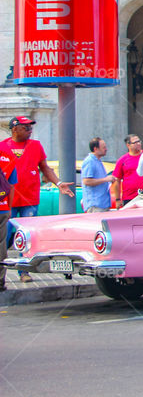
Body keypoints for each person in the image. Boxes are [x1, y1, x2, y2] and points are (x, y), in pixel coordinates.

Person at [0, 116, 74, 282]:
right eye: (26, 127)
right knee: (4, 238)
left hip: (29, 199)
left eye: (30, 127)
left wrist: (59, 183)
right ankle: (2, 273)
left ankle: (23, 271)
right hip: (7, 202)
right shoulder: (2, 147)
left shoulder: (35, 146)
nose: (30, 130)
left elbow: (45, 168)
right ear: (14, 129)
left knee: (26, 237)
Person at [110, 134, 143, 207]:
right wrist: (118, 199)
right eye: (135, 142)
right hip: (129, 197)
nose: (138, 144)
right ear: (128, 145)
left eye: (139, 141)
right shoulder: (122, 160)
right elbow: (116, 181)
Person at [81, 137, 114, 213]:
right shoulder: (89, 161)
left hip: (103, 204)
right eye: (103, 147)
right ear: (96, 149)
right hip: (95, 205)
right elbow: (87, 181)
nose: (106, 149)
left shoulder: (98, 161)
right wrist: (106, 179)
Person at [0, 145, 17, 291]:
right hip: (3, 207)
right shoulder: (8, 159)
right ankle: (0, 282)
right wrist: (9, 207)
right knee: (1, 246)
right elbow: (11, 186)